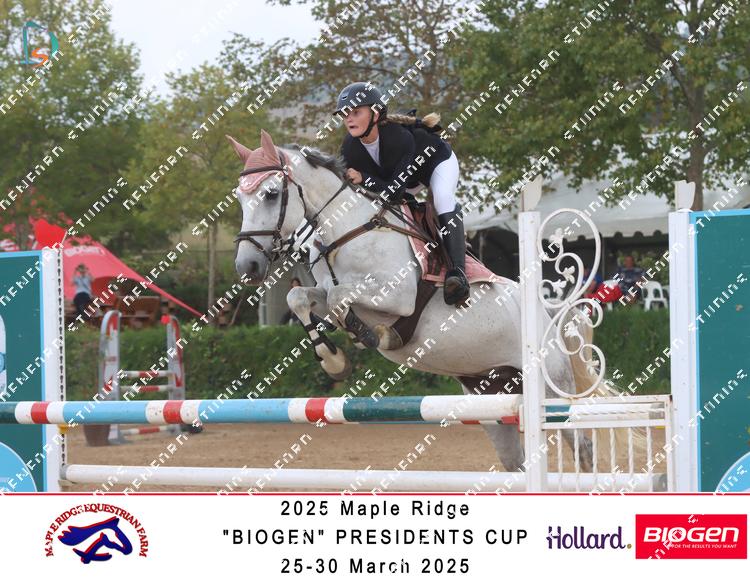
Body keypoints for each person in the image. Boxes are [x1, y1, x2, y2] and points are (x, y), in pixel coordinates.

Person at [335, 82, 470, 306]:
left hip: (435, 163)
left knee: (443, 199)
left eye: (356, 112)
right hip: (401, 179)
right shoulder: (349, 148)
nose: (349, 119)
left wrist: (364, 178)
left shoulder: (398, 138)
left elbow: (395, 192)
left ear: (375, 113)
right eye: (345, 114)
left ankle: (458, 273)